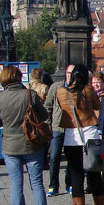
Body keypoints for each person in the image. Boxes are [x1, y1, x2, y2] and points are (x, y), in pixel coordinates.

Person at [0, 65, 53, 205]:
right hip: (32, 144)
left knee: (16, 184)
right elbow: (44, 115)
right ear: (19, 77)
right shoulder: (29, 95)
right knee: (37, 184)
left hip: (10, 146)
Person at [54, 65, 104, 205]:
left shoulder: (61, 92)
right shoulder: (88, 91)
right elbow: (98, 106)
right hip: (90, 136)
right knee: (95, 175)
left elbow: (60, 108)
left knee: (76, 177)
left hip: (71, 138)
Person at [44, 67, 68, 195]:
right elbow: (48, 106)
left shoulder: (77, 88)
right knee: (54, 157)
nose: (70, 76)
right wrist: (48, 124)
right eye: (68, 73)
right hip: (57, 127)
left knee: (72, 158)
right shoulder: (55, 87)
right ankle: (53, 185)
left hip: (71, 128)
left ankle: (69, 183)